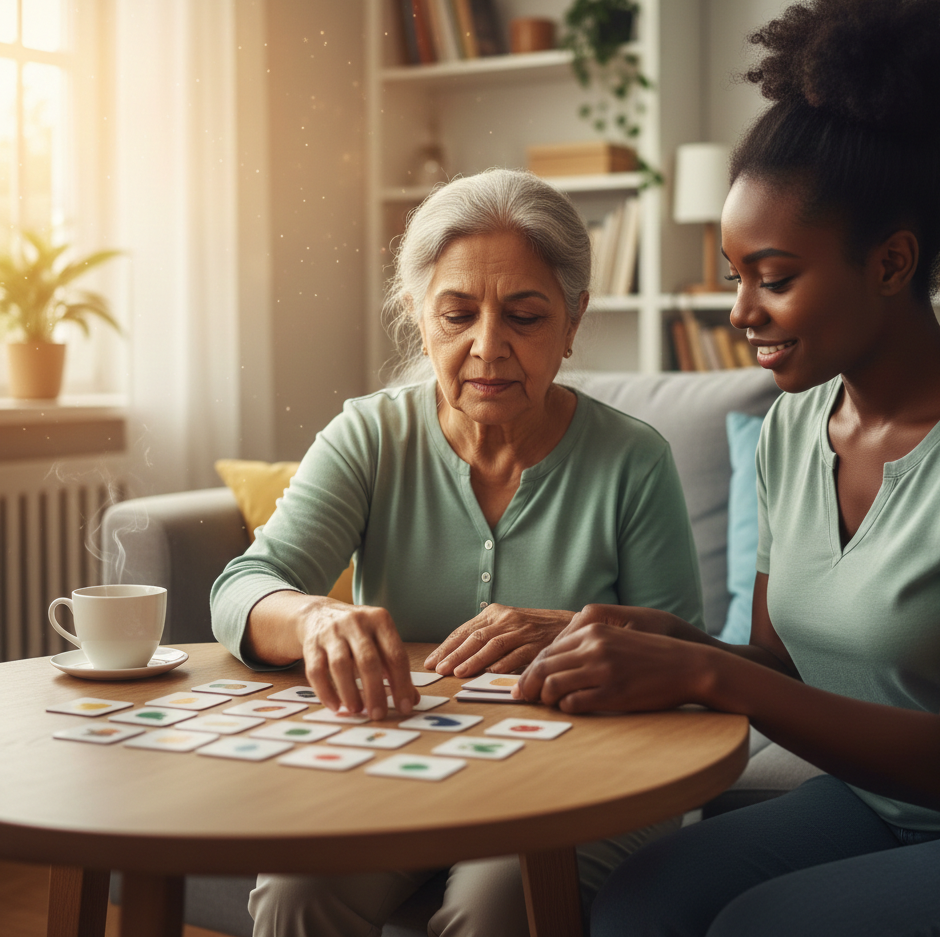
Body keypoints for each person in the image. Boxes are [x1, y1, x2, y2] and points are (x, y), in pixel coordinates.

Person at [514, 0, 940, 936]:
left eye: (773, 277)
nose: (739, 310)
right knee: (636, 903)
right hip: (870, 801)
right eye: (732, 275)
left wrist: (710, 674)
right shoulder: (793, 426)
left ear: (890, 262)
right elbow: (776, 668)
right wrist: (662, 646)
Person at [209, 168, 705, 937]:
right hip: (404, 756)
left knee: (498, 901)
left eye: (525, 316)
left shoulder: (633, 460)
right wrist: (313, 619)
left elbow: (683, 667)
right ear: (417, 316)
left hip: (585, 771)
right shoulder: (370, 435)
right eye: (457, 314)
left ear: (573, 321)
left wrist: (580, 636)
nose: (488, 348)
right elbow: (244, 586)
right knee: (297, 889)